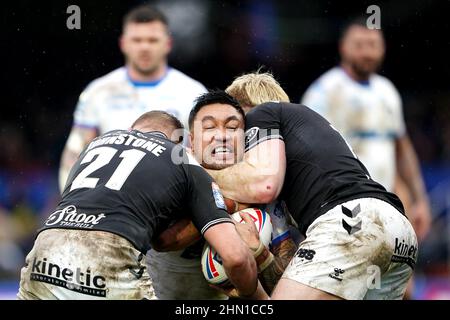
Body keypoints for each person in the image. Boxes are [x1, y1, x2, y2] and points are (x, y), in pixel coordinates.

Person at [207, 72, 418, 300]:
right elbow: (289, 275)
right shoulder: (306, 143)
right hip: (397, 232)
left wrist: (199, 172)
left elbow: (264, 185)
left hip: (351, 221)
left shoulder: (262, 113)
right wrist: (258, 255)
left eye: (232, 123)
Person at [18, 111, 266, 300]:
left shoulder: (96, 144)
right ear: (179, 143)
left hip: (46, 246)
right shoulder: (182, 158)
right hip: (109, 252)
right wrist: (251, 296)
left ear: (131, 130)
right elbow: (234, 258)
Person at [148, 91, 297, 299]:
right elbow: (164, 241)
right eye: (209, 127)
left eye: (233, 128)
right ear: (191, 141)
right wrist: (231, 206)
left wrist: (260, 254)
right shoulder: (172, 173)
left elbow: (287, 284)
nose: (222, 136)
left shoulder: (266, 190)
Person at [301, 20, 431, 243]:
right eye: (359, 45)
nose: (367, 52)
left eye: (373, 45)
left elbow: (401, 149)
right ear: (343, 47)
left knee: (401, 264)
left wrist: (419, 199)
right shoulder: (323, 92)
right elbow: (306, 153)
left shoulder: (387, 91)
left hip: (387, 199)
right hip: (344, 202)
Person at [58, 4, 207, 192]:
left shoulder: (193, 92)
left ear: (168, 43)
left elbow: (205, 155)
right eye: (137, 40)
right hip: (108, 198)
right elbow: (75, 152)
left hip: (172, 197)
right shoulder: (98, 92)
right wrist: (69, 197)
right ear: (123, 43)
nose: (144, 47)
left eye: (152, 40)